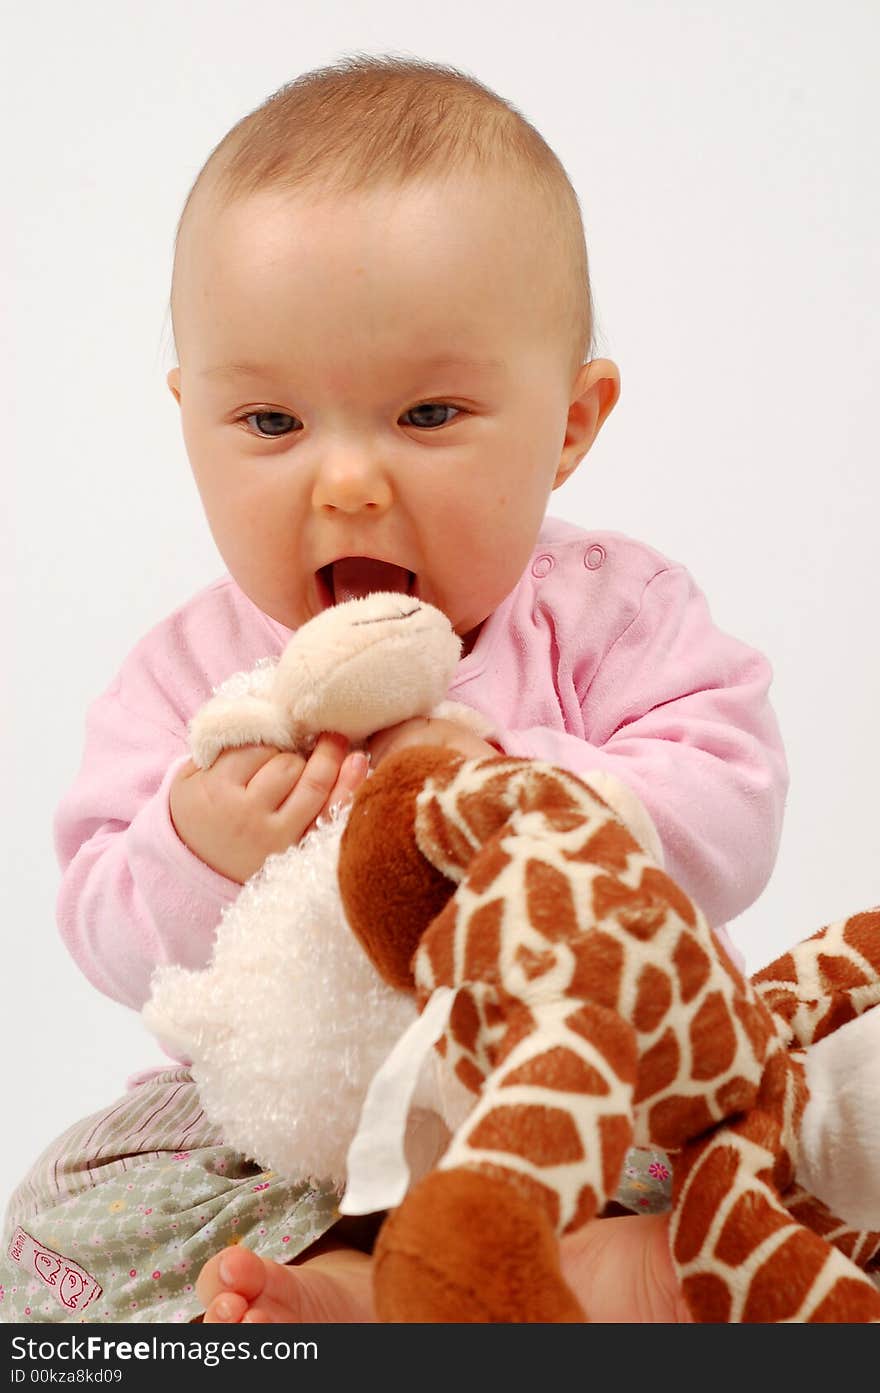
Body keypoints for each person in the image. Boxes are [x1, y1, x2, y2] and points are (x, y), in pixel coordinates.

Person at [3, 53, 789, 1325]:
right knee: (61, 1214)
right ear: (188, 417)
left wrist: (509, 789)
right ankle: (342, 1288)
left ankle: (577, 1271)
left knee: (772, 1162)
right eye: (269, 423)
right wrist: (199, 844)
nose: (349, 482)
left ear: (572, 422)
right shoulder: (193, 675)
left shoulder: (609, 615)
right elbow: (104, 924)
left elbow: (730, 815)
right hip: (287, 1127)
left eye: (428, 412)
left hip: (579, 1092)